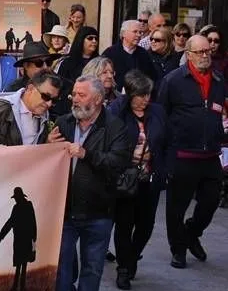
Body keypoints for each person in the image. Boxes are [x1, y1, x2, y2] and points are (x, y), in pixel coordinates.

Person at [48, 76, 129, 291]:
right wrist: (47, 145)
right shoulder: (63, 122)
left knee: (92, 270)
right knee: (61, 272)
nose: (74, 99)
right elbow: (46, 161)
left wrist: (87, 154)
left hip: (98, 212)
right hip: (65, 212)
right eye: (74, 94)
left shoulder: (115, 127)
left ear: (98, 99)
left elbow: (118, 163)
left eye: (81, 95)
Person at [157, 34, 226, 269]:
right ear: (188, 54)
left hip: (210, 155)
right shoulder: (173, 80)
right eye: (200, 52)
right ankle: (178, 249)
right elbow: (161, 115)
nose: (206, 56)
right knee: (176, 206)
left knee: (211, 201)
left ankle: (191, 232)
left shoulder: (218, 79)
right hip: (182, 154)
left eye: (208, 51)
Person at [106, 71, 166, 289]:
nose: (145, 99)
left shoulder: (158, 112)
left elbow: (166, 141)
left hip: (150, 176)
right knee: (124, 225)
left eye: (148, 94)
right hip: (126, 178)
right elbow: (111, 141)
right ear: (130, 94)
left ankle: (132, 257)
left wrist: (163, 167)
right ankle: (124, 268)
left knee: (146, 225)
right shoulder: (118, 113)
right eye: (140, 95)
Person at [0, 71, 62, 146]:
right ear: (31, 89)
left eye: (54, 100)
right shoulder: (1, 108)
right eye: (46, 96)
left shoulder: (44, 115)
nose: (49, 104)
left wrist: (47, 143)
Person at [0, 187, 38, 291]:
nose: (15, 199)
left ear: (18, 197)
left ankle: (17, 286)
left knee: (21, 264)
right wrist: (1, 235)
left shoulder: (19, 207)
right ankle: (19, 286)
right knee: (22, 264)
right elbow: (33, 224)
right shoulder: (25, 206)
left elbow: (10, 223)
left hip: (22, 240)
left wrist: (0, 236)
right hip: (24, 240)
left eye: (15, 197)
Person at [102, 20, 157, 91]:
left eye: (140, 32)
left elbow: (152, 77)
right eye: (135, 32)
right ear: (124, 34)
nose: (138, 35)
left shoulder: (144, 54)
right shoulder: (110, 53)